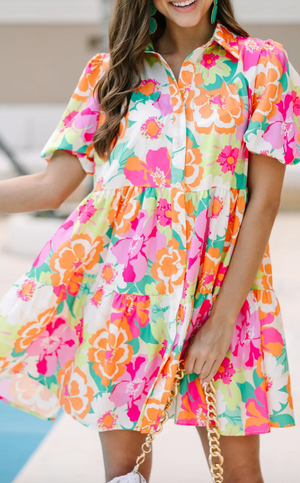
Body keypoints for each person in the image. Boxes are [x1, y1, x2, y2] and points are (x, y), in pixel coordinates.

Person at [0, 0, 299, 482]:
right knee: (125, 476)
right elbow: (51, 186)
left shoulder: (260, 65)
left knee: (240, 476)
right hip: (128, 305)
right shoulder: (112, 72)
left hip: (226, 298)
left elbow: (263, 204)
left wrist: (221, 322)